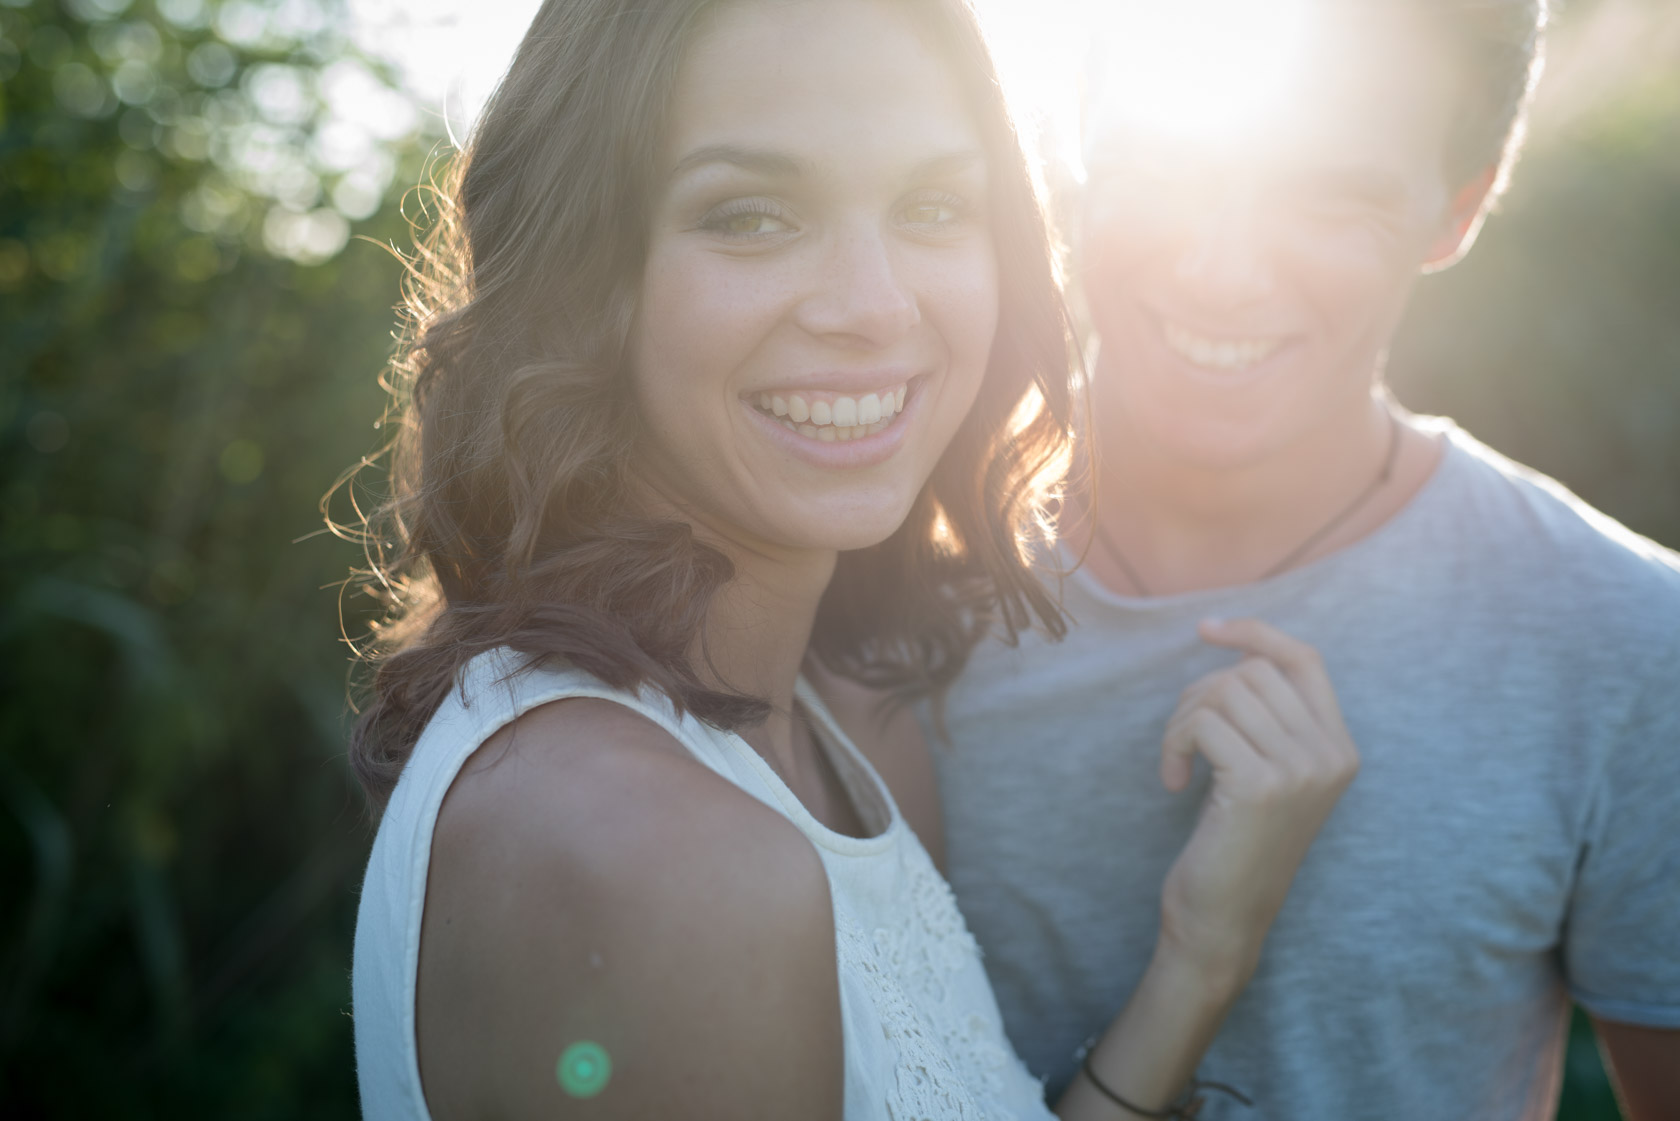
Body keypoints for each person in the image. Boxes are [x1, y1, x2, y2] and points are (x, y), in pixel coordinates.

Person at [343, 0, 1363, 1117]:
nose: (876, 307)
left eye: (932, 205)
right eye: (753, 215)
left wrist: (1203, 952)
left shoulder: (836, 720)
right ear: (581, 270)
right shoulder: (652, 854)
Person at [935, 1, 1680, 1118]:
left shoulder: (1625, 644)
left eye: (1335, 195)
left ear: (1458, 208)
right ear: (1073, 140)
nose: (1224, 269)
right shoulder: (878, 588)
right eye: (1171, 162)